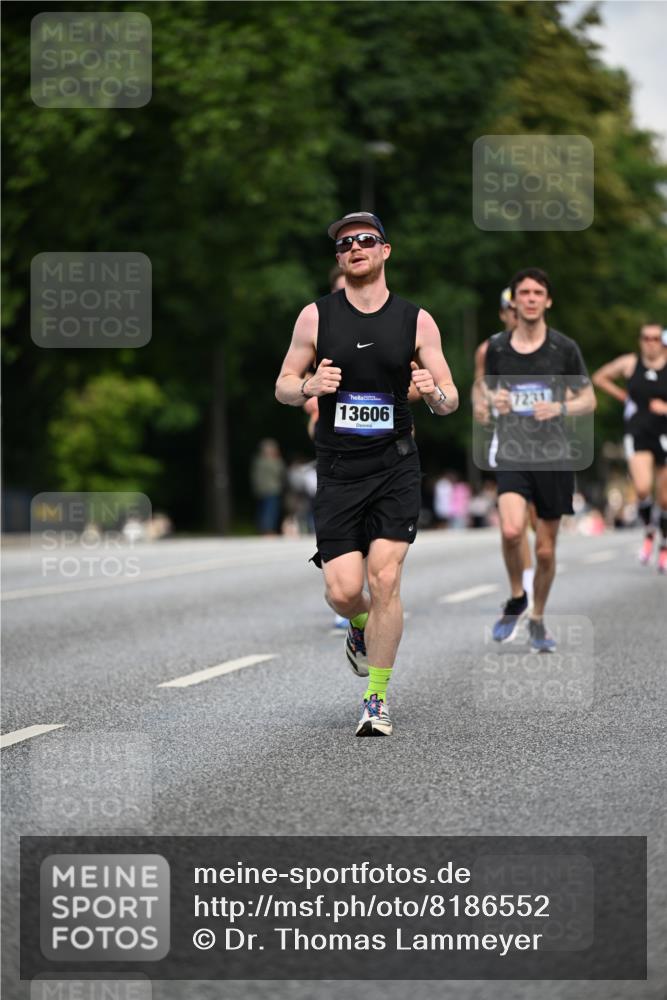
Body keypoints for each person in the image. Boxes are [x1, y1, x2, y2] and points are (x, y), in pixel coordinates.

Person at [276, 210, 458, 735]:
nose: (355, 247)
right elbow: (284, 384)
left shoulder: (417, 321)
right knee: (342, 589)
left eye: (366, 240)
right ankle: (358, 625)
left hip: (395, 465)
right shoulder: (315, 317)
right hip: (337, 468)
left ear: (385, 251)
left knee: (384, 579)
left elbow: (449, 400)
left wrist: (434, 390)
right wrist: (307, 388)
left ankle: (375, 698)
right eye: (345, 244)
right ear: (340, 258)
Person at [483, 268, 596, 651]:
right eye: (524, 293)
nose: (530, 298)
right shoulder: (497, 348)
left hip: (554, 457)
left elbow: (589, 399)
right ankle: (517, 595)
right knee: (512, 531)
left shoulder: (564, 349)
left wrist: (561, 405)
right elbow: (488, 396)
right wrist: (494, 402)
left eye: (537, 293)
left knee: (546, 550)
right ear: (514, 301)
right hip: (514, 452)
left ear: (547, 301)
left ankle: (537, 617)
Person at [472, 288, 535, 599]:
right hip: (509, 443)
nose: (515, 313)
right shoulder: (489, 349)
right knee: (514, 524)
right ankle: (524, 584)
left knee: (538, 522)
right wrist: (481, 404)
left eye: (519, 308)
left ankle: (536, 568)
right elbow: (479, 384)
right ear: (503, 313)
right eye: (510, 309)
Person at [592, 322, 667, 572]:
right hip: (638, 432)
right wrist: (622, 396)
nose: (651, 343)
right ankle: (649, 531)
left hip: (665, 433)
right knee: (643, 488)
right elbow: (599, 377)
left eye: (655, 338)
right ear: (640, 340)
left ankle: (664, 545)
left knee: (665, 498)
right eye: (646, 338)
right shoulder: (630, 363)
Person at [250, 438, 286, 535]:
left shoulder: (258, 461)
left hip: (260, 489)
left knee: (263, 511)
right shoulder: (273, 461)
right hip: (272, 489)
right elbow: (280, 472)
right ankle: (268, 531)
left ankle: (263, 530)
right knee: (270, 511)